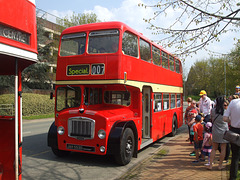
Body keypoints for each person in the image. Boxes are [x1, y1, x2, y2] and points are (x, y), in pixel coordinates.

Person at [207, 96, 229, 170]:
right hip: (224, 131)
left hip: (215, 130)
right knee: (223, 149)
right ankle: (220, 165)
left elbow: (211, 118)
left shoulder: (213, 110)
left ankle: (210, 165)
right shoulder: (225, 111)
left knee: (214, 148)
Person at [223, 97, 240, 180]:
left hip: (234, 131)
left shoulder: (233, 102)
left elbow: (225, 118)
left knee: (235, 157)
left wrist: (232, 120)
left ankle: (232, 177)